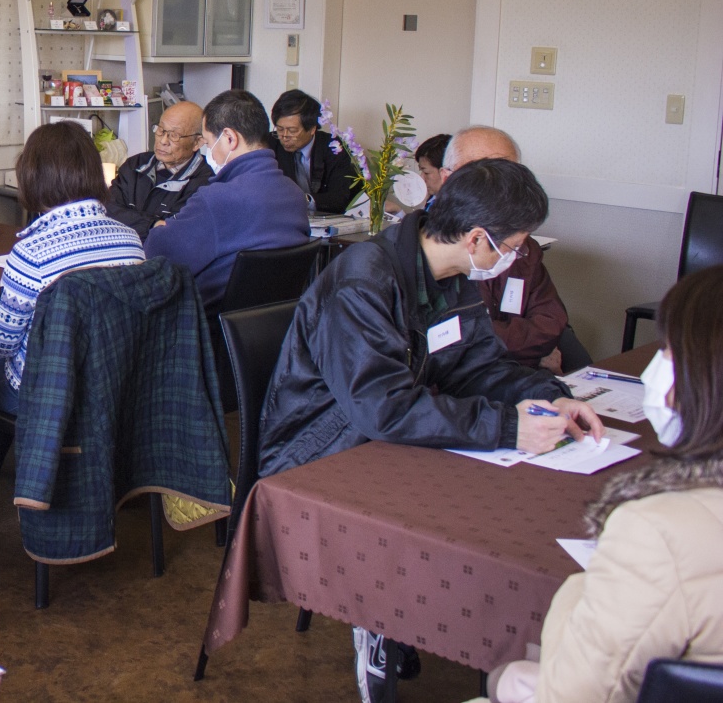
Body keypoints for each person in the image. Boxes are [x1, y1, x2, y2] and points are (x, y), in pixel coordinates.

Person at [255, 157, 603, 703]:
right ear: (476, 238)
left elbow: (478, 366)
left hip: (387, 426)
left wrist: (550, 396)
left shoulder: (452, 275)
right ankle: (379, 615)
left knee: (487, 496)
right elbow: (383, 409)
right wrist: (507, 428)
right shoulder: (364, 282)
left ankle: (423, 613)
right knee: (455, 501)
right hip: (323, 447)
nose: (514, 259)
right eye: (512, 247)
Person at [483, 265, 723, 703]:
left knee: (511, 677)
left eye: (667, 352)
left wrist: (585, 587)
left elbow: (576, 694)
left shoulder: (656, 533)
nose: (654, 371)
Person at [0, 121, 144, 418]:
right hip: (114, 385)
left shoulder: (32, 253)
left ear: (32, 177)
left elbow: (1, 344)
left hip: (46, 393)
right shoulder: (130, 239)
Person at [146, 89, 309, 313]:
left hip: (206, 326)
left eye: (209, 143)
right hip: (273, 328)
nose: (208, 153)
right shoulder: (294, 194)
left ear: (230, 138)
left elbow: (157, 252)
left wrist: (159, 227)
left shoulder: (218, 199)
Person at [442, 125, 580, 374]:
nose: (496, 187)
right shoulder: (435, 253)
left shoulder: (521, 248)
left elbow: (550, 324)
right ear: (447, 180)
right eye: (480, 174)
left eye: (507, 174)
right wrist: (528, 356)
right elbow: (455, 341)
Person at [105, 99, 213, 241]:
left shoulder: (207, 181)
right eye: (161, 130)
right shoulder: (135, 165)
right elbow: (109, 209)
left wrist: (131, 219)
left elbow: (174, 232)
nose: (163, 141)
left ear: (197, 142)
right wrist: (153, 224)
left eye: (174, 135)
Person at [268, 89, 360, 214]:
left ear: (312, 128)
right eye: (279, 129)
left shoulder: (334, 147)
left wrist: (303, 200)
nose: (284, 136)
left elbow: (338, 199)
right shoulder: (269, 144)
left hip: (326, 221)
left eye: (292, 130)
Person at [415, 133, 451, 199]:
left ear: (445, 173)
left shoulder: (459, 206)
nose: (422, 178)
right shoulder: (432, 199)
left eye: (426, 173)